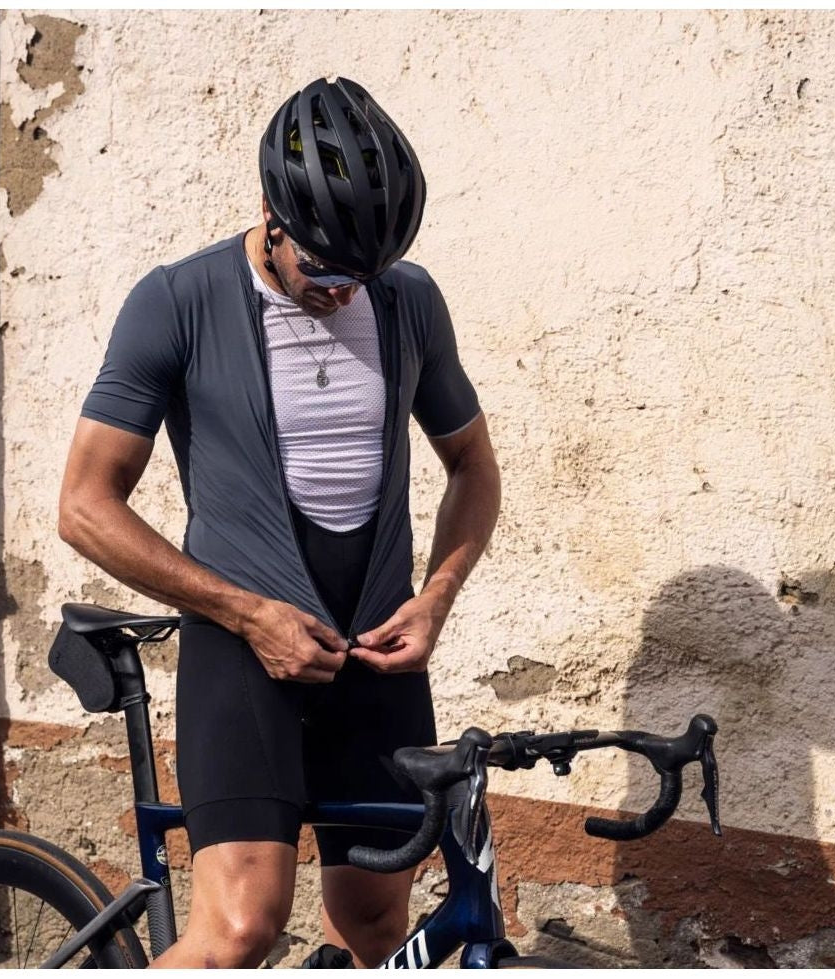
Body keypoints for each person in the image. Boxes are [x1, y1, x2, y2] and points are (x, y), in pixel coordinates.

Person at [58, 76, 502, 968]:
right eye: (324, 271)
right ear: (271, 213)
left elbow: (472, 468)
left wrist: (436, 600)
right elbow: (84, 505)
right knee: (240, 929)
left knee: (376, 928)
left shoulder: (409, 302)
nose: (343, 293)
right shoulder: (178, 301)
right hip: (240, 653)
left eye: (361, 277)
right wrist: (247, 612)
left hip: (375, 658)